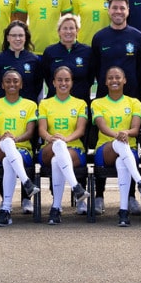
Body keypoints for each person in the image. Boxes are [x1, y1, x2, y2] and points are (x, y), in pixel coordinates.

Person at [91, 65, 141, 226]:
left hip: (127, 151)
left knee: (122, 162)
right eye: (110, 78)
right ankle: (140, 181)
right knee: (119, 146)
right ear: (105, 82)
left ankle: (123, 211)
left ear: (124, 80)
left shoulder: (134, 102)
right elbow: (102, 126)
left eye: (118, 77)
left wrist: (126, 133)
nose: (114, 80)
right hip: (105, 150)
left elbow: (135, 129)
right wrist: (118, 135)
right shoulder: (98, 103)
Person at [0, 68, 40, 226]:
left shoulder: (30, 105)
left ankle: (6, 210)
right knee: (6, 144)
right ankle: (26, 182)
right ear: (2, 85)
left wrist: (14, 139)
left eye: (15, 81)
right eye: (8, 81)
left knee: (8, 161)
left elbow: (30, 133)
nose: (12, 84)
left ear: (21, 84)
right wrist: (5, 138)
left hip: (22, 151)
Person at [38, 66, 91, 223]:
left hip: (73, 149)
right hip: (49, 147)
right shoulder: (45, 104)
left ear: (72, 82)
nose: (63, 83)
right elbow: (42, 130)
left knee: (57, 160)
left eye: (67, 80)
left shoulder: (80, 104)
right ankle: (76, 186)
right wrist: (52, 138)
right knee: (57, 148)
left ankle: (56, 208)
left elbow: (80, 130)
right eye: (59, 80)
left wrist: (65, 140)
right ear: (53, 83)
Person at [90, 0, 141, 100]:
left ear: (128, 11)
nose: (118, 11)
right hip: (105, 97)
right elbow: (96, 68)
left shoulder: (138, 37)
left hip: (131, 97)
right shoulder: (99, 37)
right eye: (114, 8)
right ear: (108, 10)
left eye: (122, 8)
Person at [42, 14, 94, 102]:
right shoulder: (49, 51)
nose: (68, 31)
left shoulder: (87, 51)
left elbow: (90, 78)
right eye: (65, 28)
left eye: (71, 28)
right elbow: (48, 77)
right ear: (59, 31)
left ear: (77, 30)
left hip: (80, 102)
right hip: (56, 102)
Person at [0, 20, 43, 103]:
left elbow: (38, 85)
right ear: (8, 38)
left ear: (26, 37)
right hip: (4, 107)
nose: (17, 39)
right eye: (14, 35)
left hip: (27, 109)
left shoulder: (34, 60)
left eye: (21, 35)